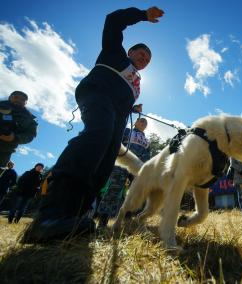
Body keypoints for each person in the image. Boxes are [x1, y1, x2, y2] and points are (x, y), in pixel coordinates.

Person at [22, 6, 164, 242]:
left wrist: (131, 107)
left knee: (107, 158)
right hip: (97, 95)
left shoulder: (136, 82)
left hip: (117, 114)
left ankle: (76, 217)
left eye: (147, 60)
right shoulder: (114, 53)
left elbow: (121, 97)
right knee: (98, 134)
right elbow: (113, 20)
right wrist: (142, 15)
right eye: (141, 54)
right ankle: (50, 215)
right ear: (130, 51)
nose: (143, 60)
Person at [97, 117, 151, 227]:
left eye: (145, 122)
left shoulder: (147, 141)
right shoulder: (127, 131)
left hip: (139, 168)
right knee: (114, 189)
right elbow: (116, 143)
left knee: (136, 192)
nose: (143, 122)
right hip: (122, 163)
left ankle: (128, 218)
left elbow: (148, 156)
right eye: (141, 120)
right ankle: (103, 220)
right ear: (135, 122)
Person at [0, 91, 38, 167]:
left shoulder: (30, 119)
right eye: (16, 97)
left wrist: (14, 138)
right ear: (10, 97)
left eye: (23, 100)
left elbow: (30, 135)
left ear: (25, 103)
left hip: (4, 152)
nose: (19, 100)